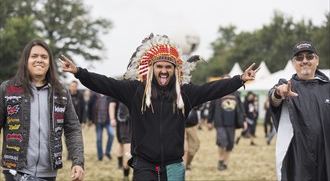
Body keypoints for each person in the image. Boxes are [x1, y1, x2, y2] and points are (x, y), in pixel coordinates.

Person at [60, 33, 258, 181]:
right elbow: (105, 83)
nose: (164, 70)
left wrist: (239, 79)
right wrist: (79, 72)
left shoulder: (185, 94)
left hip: (174, 166)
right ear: (152, 68)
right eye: (160, 66)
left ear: (174, 70)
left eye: (168, 67)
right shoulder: (135, 91)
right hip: (144, 166)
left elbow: (212, 89)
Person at [0, 39, 84, 181]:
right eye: (34, 56)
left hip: (49, 172)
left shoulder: (61, 92)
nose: (39, 60)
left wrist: (78, 161)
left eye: (44, 57)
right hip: (15, 170)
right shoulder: (7, 89)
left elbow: (73, 128)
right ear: (26, 60)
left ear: (49, 62)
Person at [268, 41, 329, 181]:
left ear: (317, 60)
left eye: (309, 56)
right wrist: (278, 93)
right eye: (299, 58)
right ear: (293, 63)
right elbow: (274, 100)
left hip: (325, 159)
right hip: (297, 161)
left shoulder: (327, 88)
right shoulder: (286, 86)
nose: (305, 61)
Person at [207, 74, 247, 171]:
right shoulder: (216, 93)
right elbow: (211, 108)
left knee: (230, 144)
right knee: (222, 142)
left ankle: (225, 163)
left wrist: (244, 120)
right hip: (219, 122)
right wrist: (209, 121)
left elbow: (241, 109)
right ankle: (220, 160)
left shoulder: (236, 94)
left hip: (232, 122)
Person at [109, 99, 132, 181]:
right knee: (129, 155)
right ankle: (126, 175)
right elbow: (112, 104)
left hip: (139, 126)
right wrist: (112, 118)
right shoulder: (120, 88)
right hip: (125, 126)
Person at [88, 92, 114, 161]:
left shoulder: (109, 96)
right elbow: (89, 107)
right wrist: (90, 119)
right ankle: (100, 156)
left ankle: (107, 152)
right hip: (98, 121)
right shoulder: (94, 96)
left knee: (111, 135)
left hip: (107, 121)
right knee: (99, 139)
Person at [183, 107, 200, 171]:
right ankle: (183, 167)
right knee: (184, 148)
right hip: (180, 124)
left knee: (194, 147)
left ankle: (187, 163)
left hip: (193, 125)